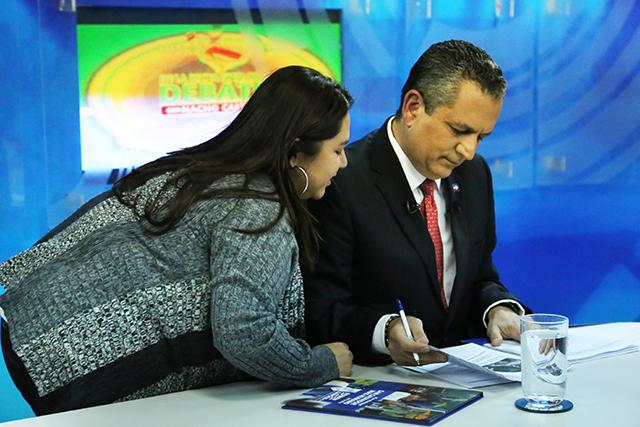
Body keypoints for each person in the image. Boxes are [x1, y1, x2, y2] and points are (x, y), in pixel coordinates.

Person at [0, 65, 354, 416]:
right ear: (295, 152)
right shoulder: (257, 208)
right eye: (337, 150)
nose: (344, 163)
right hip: (74, 357)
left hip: (28, 324)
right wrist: (320, 363)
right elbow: (246, 334)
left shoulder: (202, 170)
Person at [303, 40, 528, 367]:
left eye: (480, 137)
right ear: (412, 108)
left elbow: (481, 277)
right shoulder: (341, 180)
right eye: (459, 130)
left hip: (460, 384)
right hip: (377, 382)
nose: (468, 150)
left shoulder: (475, 175)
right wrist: (386, 329)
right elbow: (320, 309)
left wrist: (498, 309)